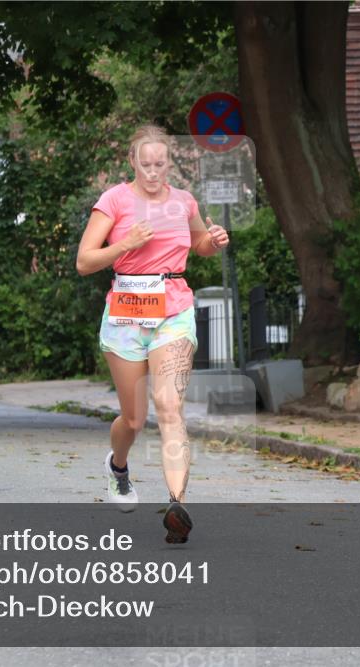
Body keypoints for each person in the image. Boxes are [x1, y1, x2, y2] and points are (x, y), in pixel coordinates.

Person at [76, 124, 229, 543]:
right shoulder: (114, 200)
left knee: (169, 406)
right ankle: (118, 468)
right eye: (145, 164)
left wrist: (213, 242)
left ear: (169, 163)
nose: (153, 171)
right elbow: (85, 262)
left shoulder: (183, 201)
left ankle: (177, 504)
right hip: (125, 315)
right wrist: (124, 244)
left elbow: (198, 243)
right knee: (134, 418)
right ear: (132, 162)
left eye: (160, 163)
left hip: (173, 310)